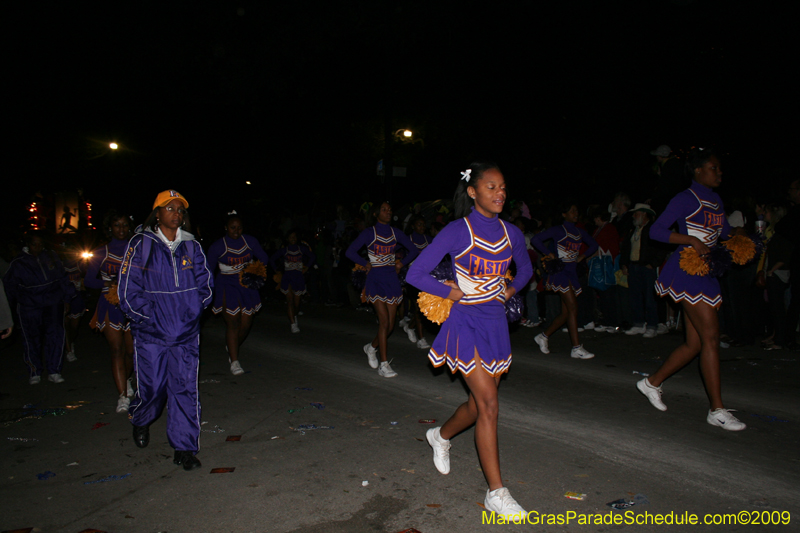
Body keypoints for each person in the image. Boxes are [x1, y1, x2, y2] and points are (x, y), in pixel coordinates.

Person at [407, 162, 533, 521]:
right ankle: (497, 492)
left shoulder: (512, 233)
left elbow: (525, 269)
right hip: (464, 325)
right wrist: (452, 293)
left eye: (503, 187)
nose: (499, 194)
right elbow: (415, 273)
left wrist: (509, 290)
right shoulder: (456, 231)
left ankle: (441, 435)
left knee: (479, 405)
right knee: (490, 403)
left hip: (495, 325)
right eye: (491, 187)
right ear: (474, 192)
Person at [638, 148, 746, 431]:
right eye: (714, 167)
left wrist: (743, 238)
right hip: (686, 271)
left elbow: (722, 233)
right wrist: (691, 240)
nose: (719, 172)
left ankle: (651, 382)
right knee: (711, 338)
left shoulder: (716, 200)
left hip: (705, 271)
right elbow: (656, 231)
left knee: (695, 343)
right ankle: (716, 409)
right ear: (698, 170)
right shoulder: (686, 198)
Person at [118, 190, 213, 470]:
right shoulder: (141, 244)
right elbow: (127, 291)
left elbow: (205, 285)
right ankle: (141, 418)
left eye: (180, 209)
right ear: (157, 213)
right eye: (169, 208)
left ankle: (184, 448)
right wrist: (150, 318)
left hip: (185, 334)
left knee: (184, 389)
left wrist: (192, 311)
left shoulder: (191, 246)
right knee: (154, 389)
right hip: (152, 335)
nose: (176, 213)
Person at [346, 201, 419, 378]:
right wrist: (365, 263)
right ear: (375, 214)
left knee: (391, 325)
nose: (388, 212)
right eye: (384, 209)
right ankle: (384, 364)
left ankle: (371, 348)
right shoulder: (369, 233)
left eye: (389, 209)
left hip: (392, 280)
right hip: (375, 280)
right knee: (384, 322)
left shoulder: (395, 233)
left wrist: (401, 263)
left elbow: (413, 250)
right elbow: (350, 252)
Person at [3, 231, 75, 384]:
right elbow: (9, 287)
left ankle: (54, 370)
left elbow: (63, 278)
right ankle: (34, 371)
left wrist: (67, 298)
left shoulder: (51, 256)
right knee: (31, 339)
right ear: (28, 245)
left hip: (53, 302)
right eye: (34, 244)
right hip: (30, 305)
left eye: (40, 244)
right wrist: (8, 310)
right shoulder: (18, 262)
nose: (38, 247)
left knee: (55, 335)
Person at [531, 202, 598, 359]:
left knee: (567, 312)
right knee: (573, 307)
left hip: (572, 272)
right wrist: (549, 253)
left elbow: (594, 245)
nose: (575, 213)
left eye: (576, 210)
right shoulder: (557, 230)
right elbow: (535, 240)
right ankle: (576, 347)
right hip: (560, 272)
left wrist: (582, 256)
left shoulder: (580, 231)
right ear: (564, 214)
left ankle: (543, 336)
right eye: (572, 210)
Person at [84, 210, 135, 413]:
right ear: (109, 228)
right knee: (116, 350)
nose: (121, 229)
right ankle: (122, 396)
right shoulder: (101, 252)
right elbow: (88, 280)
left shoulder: (136, 249)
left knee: (131, 351)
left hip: (132, 305)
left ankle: (127, 379)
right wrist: (108, 282)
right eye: (117, 225)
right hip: (109, 303)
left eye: (124, 225)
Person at [207, 212, 270, 374]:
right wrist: (208, 290)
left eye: (239, 228)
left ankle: (231, 345)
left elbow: (264, 258)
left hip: (246, 284)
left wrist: (256, 270)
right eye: (233, 228)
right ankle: (235, 361)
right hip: (227, 284)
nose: (236, 231)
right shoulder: (217, 246)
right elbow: (207, 269)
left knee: (247, 322)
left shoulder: (250, 241)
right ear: (226, 228)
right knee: (233, 322)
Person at [620, 204, 663, 338]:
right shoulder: (633, 229)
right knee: (635, 297)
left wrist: (653, 263)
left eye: (636, 213)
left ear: (644, 214)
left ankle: (652, 325)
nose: (633, 216)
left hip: (646, 267)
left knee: (650, 297)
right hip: (634, 267)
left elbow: (661, 248)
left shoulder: (653, 229)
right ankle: (638, 323)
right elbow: (626, 248)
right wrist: (624, 264)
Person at [269, 230, 316, 334]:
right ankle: (293, 324)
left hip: (298, 277)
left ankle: (294, 316)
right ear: (287, 239)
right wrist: (276, 270)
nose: (293, 239)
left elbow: (312, 256)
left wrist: (307, 268)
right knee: (290, 301)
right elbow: (272, 259)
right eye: (291, 237)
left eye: (294, 237)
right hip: (287, 277)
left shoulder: (301, 249)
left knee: (297, 303)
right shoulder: (284, 250)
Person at [399, 215, 432, 349]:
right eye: (419, 224)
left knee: (425, 310)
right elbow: (397, 252)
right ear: (413, 226)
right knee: (419, 308)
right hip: (412, 279)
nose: (422, 227)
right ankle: (421, 338)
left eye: (423, 225)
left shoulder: (429, 240)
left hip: (427, 278)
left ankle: (410, 327)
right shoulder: (408, 240)